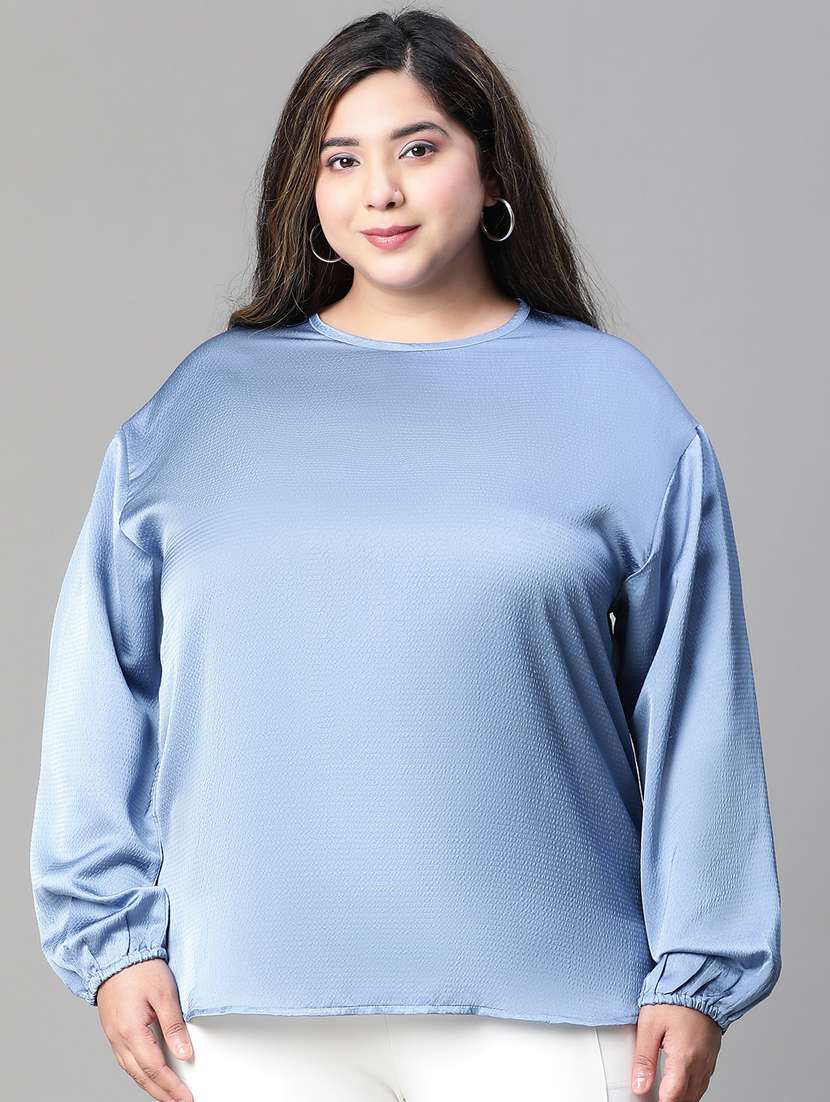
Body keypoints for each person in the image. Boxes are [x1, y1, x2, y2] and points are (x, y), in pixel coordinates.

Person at [29, 9, 782, 1102]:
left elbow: (697, 706)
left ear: (491, 171)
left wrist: (699, 972)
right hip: (241, 1015)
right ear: (308, 188)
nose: (378, 191)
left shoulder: (619, 405)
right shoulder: (201, 410)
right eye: (342, 159)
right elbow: (101, 686)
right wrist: (113, 944)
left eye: (417, 148)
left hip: (553, 1014)